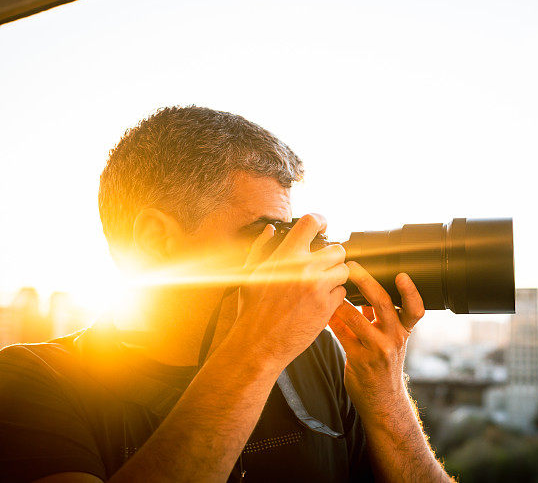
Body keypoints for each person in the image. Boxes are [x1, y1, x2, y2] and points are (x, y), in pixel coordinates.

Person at [0, 106, 453, 482]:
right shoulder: (32, 383)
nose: (289, 260)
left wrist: (385, 393)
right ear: (158, 240)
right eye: (268, 234)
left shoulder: (315, 357)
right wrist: (259, 349)